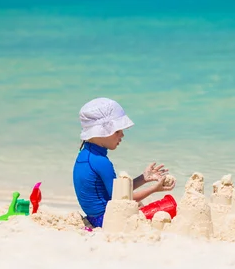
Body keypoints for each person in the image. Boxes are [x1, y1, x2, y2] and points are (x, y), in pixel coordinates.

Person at [72, 97, 176, 228]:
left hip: (94, 217)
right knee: (168, 209)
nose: (122, 135)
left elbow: (117, 190)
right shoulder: (101, 162)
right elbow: (122, 200)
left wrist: (144, 178)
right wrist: (154, 189)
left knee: (140, 204)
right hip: (106, 220)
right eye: (117, 131)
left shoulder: (85, 155)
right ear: (100, 132)